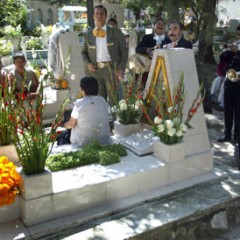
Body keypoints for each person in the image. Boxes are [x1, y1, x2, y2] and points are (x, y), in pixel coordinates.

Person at [81, 4, 128, 107]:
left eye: (102, 13)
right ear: (93, 16)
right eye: (97, 13)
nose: (99, 16)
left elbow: (124, 52)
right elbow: (83, 52)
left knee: (114, 101)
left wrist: (121, 68)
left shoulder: (116, 32)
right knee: (98, 101)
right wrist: (88, 63)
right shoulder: (88, 34)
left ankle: (114, 122)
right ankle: (102, 122)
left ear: (106, 16)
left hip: (112, 70)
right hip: (95, 71)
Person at [61, 76, 111, 147]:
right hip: (103, 140)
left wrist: (64, 125)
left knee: (65, 134)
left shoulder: (79, 103)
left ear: (83, 89)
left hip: (84, 142)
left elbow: (71, 124)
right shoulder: (102, 100)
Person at [217, 25, 240, 143]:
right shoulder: (234, 45)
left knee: (238, 112)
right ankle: (227, 134)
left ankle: (237, 136)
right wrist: (228, 51)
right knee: (228, 110)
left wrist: (237, 52)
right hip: (229, 81)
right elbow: (222, 59)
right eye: (238, 34)